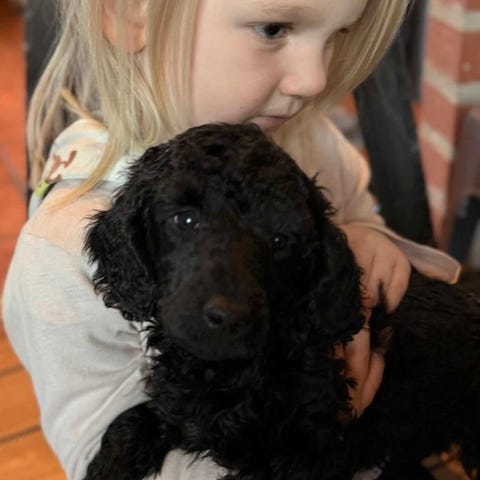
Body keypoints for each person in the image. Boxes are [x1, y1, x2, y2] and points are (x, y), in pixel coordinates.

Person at [3, 1, 461, 479]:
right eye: (273, 28)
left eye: (337, 36)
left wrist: (366, 237)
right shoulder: (61, 249)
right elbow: (101, 454)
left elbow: (363, 219)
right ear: (130, 14)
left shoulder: (309, 139)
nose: (315, 79)